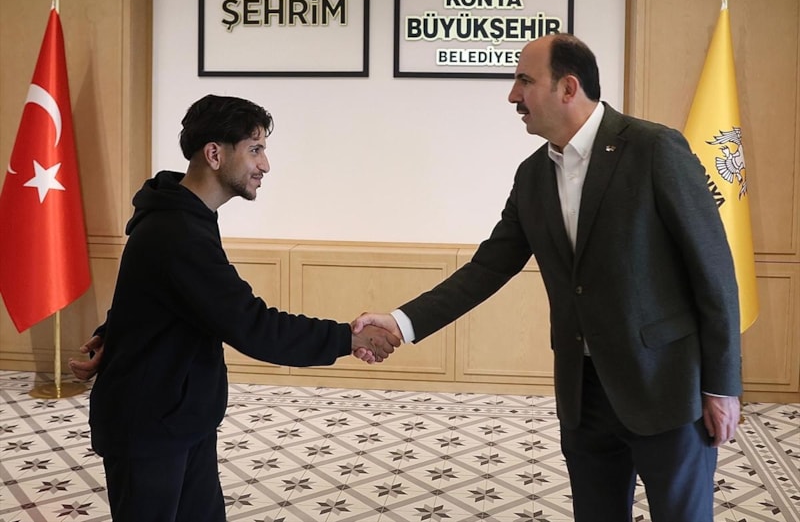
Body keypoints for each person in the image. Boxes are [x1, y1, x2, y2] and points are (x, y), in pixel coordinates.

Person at [353, 33, 742, 522]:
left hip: (665, 388)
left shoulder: (654, 149)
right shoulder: (532, 175)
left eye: (524, 80)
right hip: (584, 395)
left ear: (568, 87)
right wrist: (401, 322)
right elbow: (488, 267)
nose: (513, 96)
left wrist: (722, 386)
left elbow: (714, 272)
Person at [68, 94, 399, 522]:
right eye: (255, 149)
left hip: (182, 418)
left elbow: (151, 295)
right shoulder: (177, 231)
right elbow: (253, 325)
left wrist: (111, 334)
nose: (265, 165)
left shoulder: (183, 215)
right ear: (214, 154)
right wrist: (347, 338)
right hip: (148, 430)